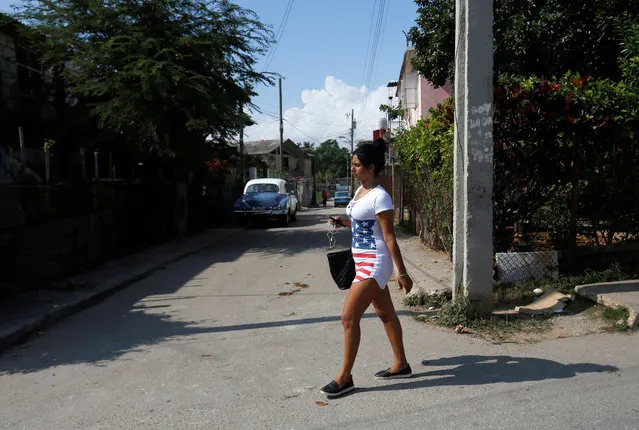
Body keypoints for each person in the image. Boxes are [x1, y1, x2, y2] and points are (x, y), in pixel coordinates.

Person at [321, 138, 414, 398]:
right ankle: (401, 364)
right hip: (361, 259)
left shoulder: (381, 197)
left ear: (371, 167)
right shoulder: (361, 191)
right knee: (385, 315)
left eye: (357, 165)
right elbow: (364, 225)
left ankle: (345, 377)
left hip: (375, 263)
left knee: (349, 318)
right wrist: (345, 222)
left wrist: (402, 273)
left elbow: (388, 237)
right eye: (352, 164)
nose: (353, 169)